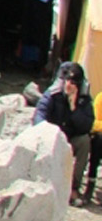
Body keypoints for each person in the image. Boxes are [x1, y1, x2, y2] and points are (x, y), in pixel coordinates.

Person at [32, 61, 94, 206]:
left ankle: (73, 188)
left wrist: (74, 109)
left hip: (71, 139)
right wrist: (48, 131)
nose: (69, 85)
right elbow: (39, 114)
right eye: (68, 81)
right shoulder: (54, 94)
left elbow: (87, 125)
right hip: (53, 137)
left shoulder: (84, 99)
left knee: (85, 141)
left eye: (74, 82)